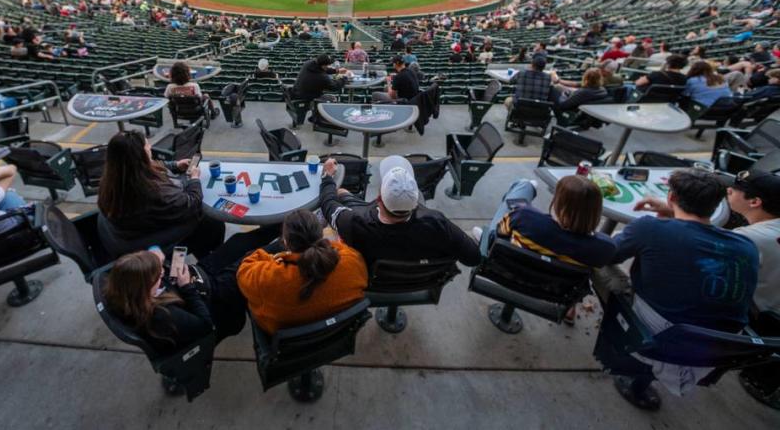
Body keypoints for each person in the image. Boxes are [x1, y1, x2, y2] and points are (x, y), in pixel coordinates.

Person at [593, 168, 759, 410]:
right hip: (712, 351)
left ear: (671, 197)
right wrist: (673, 215)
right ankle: (639, 382)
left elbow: (607, 253)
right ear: (716, 207)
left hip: (652, 339)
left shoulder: (650, 228)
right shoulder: (747, 247)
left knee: (595, 259)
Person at [102, 222, 280, 354]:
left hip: (202, 272)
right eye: (157, 277)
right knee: (256, 258)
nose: (162, 274)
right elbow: (205, 325)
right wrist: (186, 286)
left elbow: (151, 270)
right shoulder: (163, 316)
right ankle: (291, 241)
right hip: (216, 294)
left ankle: (284, 224)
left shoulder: (126, 288)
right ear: (143, 289)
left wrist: (157, 256)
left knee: (240, 241)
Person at [474, 175, 616, 323]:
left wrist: (531, 213)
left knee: (516, 197)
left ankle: (527, 186)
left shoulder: (525, 217)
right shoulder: (605, 248)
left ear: (558, 203)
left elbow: (500, 232)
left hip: (508, 271)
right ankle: (527, 186)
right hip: (552, 289)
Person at [319, 155, 481, 271]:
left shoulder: (354, 222)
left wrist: (327, 177)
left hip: (373, 282)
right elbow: (473, 257)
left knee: (340, 193)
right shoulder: (437, 222)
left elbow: (328, 204)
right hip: (419, 280)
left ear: (379, 199)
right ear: (416, 203)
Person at [237, 209, 368, 334]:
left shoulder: (268, 278)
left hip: (284, 341)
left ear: (286, 242)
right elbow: (339, 249)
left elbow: (243, 271)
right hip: (334, 334)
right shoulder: (351, 261)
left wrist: (276, 256)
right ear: (321, 235)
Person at [96, 131, 223, 259]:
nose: (150, 147)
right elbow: (191, 203)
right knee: (212, 224)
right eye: (146, 146)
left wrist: (175, 166)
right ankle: (208, 263)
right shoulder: (154, 191)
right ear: (140, 156)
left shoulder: (113, 177)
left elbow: (149, 166)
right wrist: (194, 179)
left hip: (124, 233)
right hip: (145, 243)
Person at [728, 170, 780, 407]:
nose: (729, 190)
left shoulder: (748, 238)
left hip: (762, 318)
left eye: (735, 189)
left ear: (754, 202)